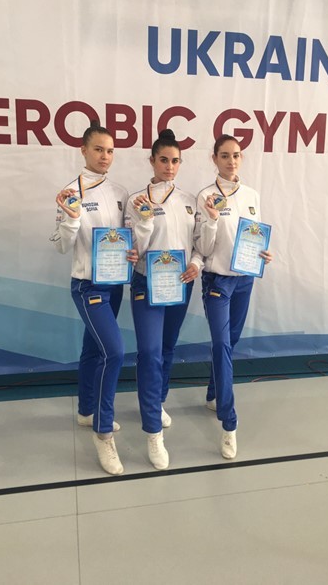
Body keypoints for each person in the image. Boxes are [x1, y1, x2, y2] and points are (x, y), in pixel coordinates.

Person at [50, 120, 137, 476]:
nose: (105, 156)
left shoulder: (121, 192)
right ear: (83, 150)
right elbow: (61, 247)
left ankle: (87, 410)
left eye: (110, 150)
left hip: (114, 284)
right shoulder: (70, 193)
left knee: (93, 349)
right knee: (113, 352)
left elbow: (127, 236)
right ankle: (103, 433)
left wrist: (132, 252)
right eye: (98, 149)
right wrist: (71, 219)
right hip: (88, 287)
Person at [125, 129, 203, 470]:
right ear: (152, 161)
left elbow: (198, 242)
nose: (169, 166)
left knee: (167, 348)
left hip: (180, 284)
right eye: (163, 160)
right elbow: (134, 250)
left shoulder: (189, 201)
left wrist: (196, 264)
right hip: (146, 282)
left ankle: (157, 402)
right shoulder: (136, 200)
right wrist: (143, 221)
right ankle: (153, 433)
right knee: (149, 352)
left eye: (175, 161)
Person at [195, 134, 272, 460]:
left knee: (232, 341)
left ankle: (213, 394)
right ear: (214, 158)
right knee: (221, 345)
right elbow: (203, 247)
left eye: (236, 155)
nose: (231, 161)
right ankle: (229, 424)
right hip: (217, 281)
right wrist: (212, 220)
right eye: (225, 155)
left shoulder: (252, 195)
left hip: (244, 281)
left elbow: (253, 237)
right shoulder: (206, 196)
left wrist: (263, 254)